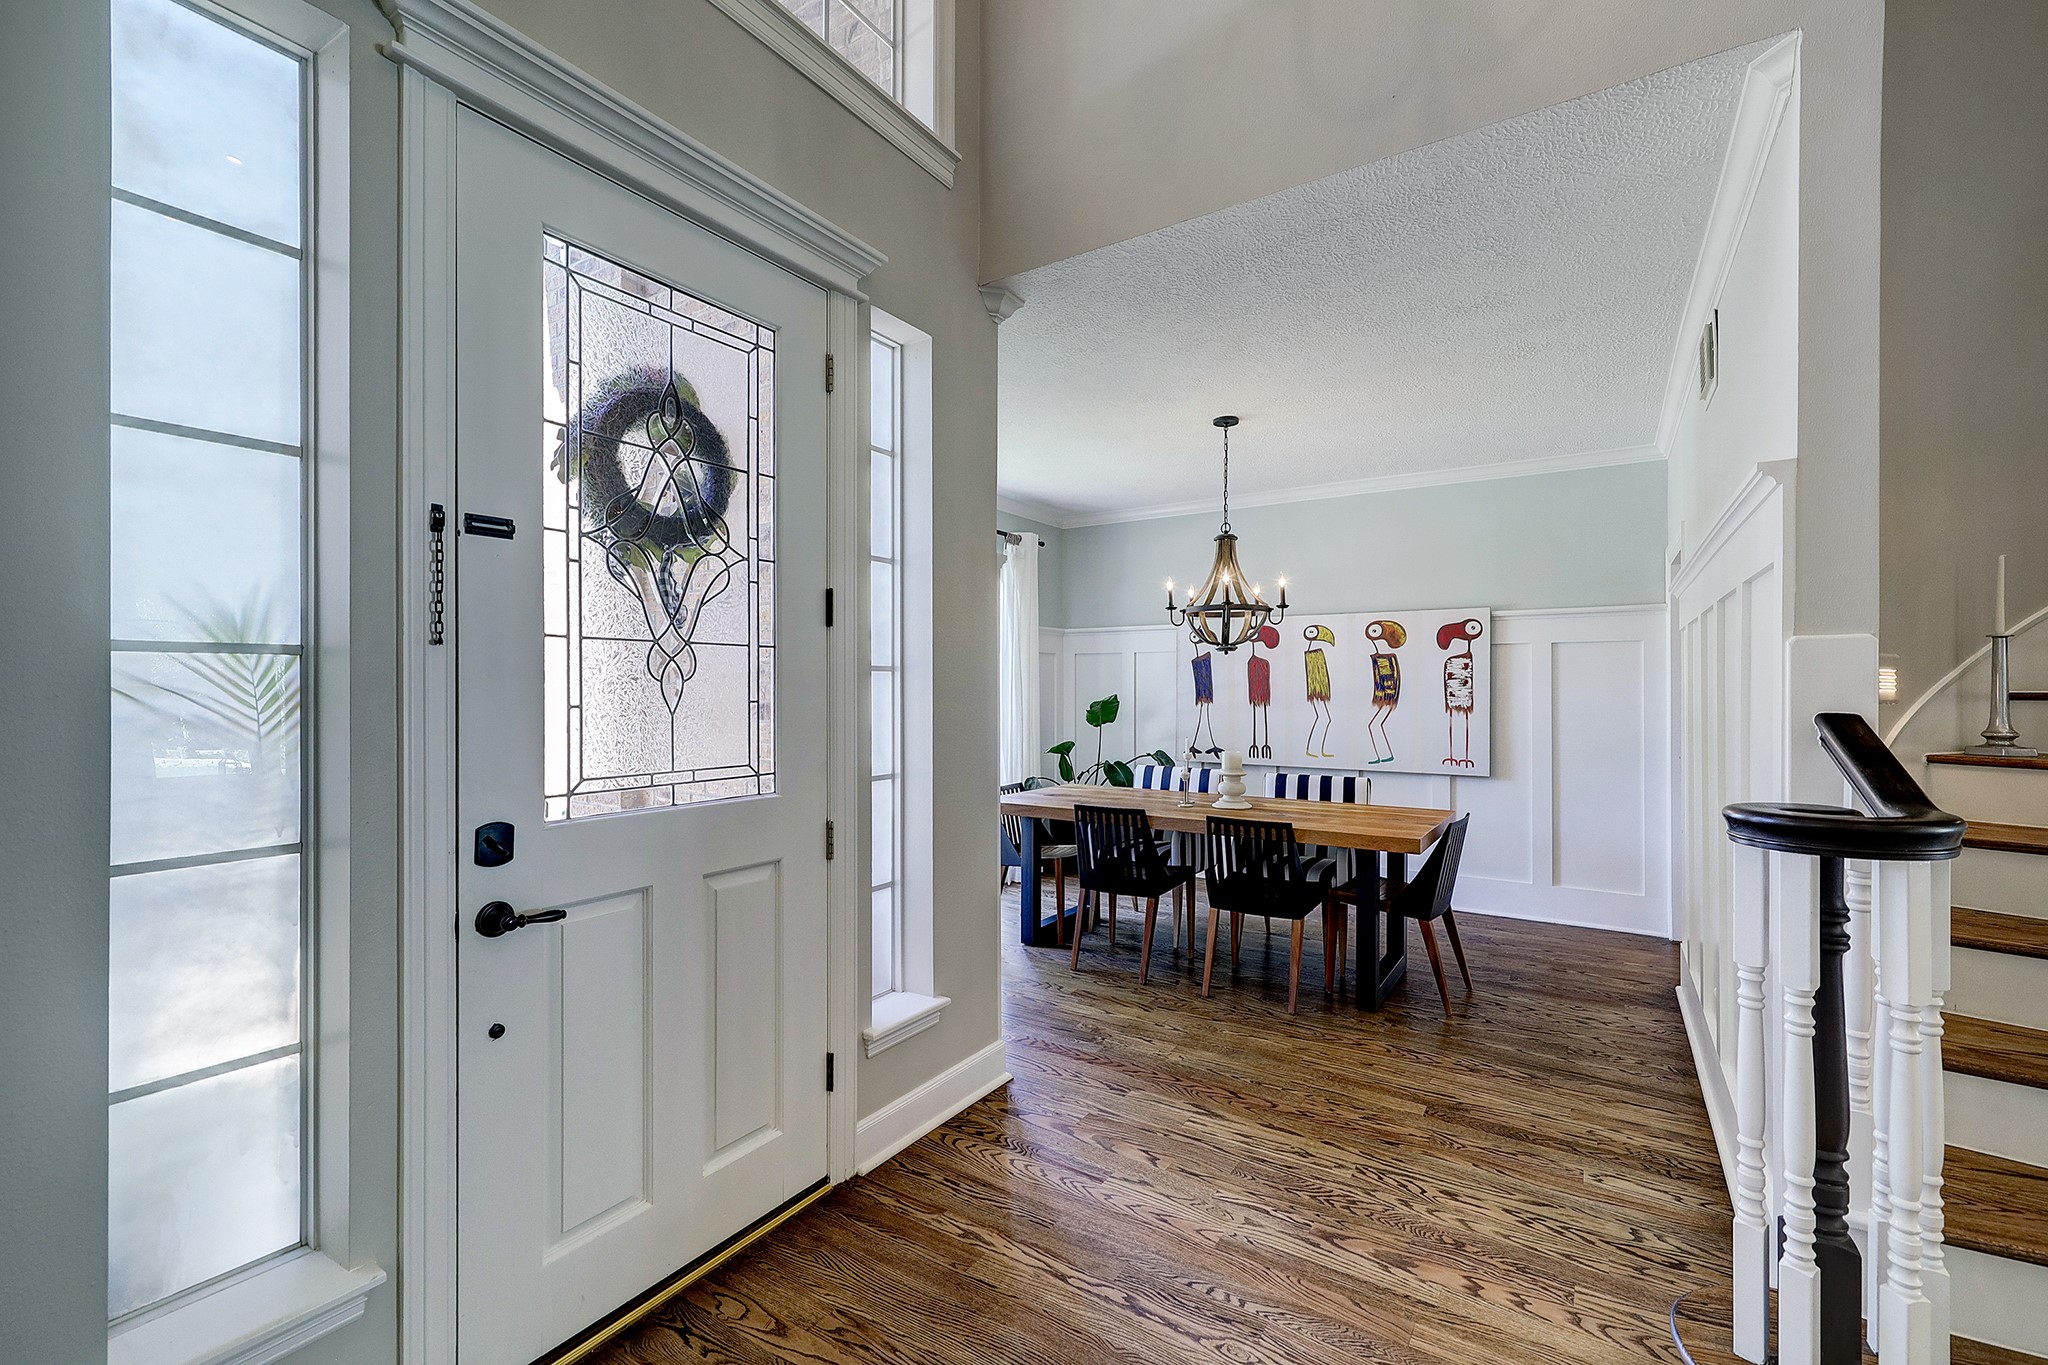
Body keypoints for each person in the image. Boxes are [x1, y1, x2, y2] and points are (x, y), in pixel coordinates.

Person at [1364, 619, 1407, 765]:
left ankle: (1385, 755)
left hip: (1388, 696)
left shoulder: (1388, 659)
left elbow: (1392, 679)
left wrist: (1386, 696)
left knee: (1374, 725)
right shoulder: (1379, 658)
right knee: (1375, 725)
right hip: (1384, 696)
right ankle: (1384, 755)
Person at [1302, 625, 1336, 758]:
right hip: (1317, 691)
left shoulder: (1315, 654)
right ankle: (1312, 749)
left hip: (1319, 691)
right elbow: (1315, 677)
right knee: (1324, 718)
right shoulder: (1313, 656)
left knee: (1324, 718)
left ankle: (1316, 749)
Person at [1246, 623, 1279, 758]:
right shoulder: (1252, 662)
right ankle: (1256, 742)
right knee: (1255, 710)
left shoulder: (1264, 663)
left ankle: (1264, 742)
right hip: (1255, 690)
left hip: (1262, 691)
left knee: (1263, 709)